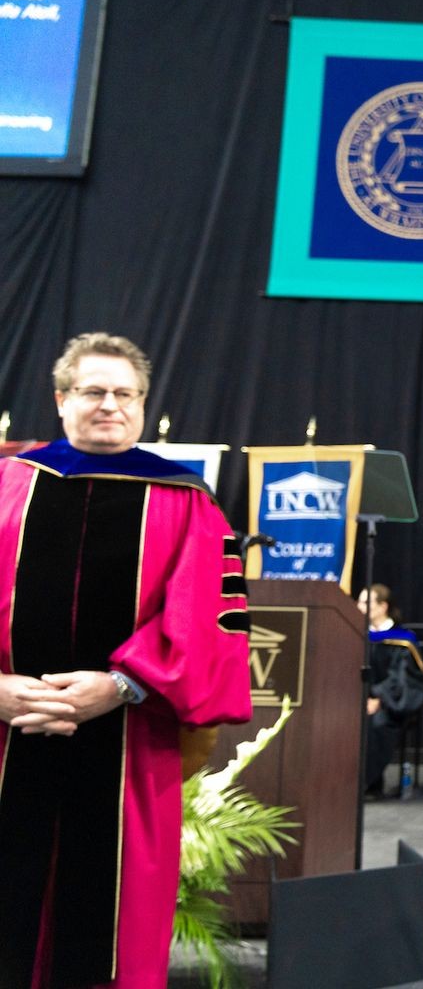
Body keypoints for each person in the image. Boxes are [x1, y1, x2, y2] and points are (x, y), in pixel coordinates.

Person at [0, 332, 252, 987]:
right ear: (61, 400)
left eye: (124, 393)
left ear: (142, 405)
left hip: (127, 743)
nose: (109, 404)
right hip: (4, 733)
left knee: (109, 929)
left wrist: (120, 685)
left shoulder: (187, 501)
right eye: (92, 391)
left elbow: (205, 624)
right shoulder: (8, 484)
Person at [357, 583, 423, 797]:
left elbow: (401, 678)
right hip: (358, 700)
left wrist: (378, 697)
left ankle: (368, 784)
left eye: (365, 602)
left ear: (382, 606)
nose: (359, 606)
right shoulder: (355, 634)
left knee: (374, 723)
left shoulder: (402, 640)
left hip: (390, 704)